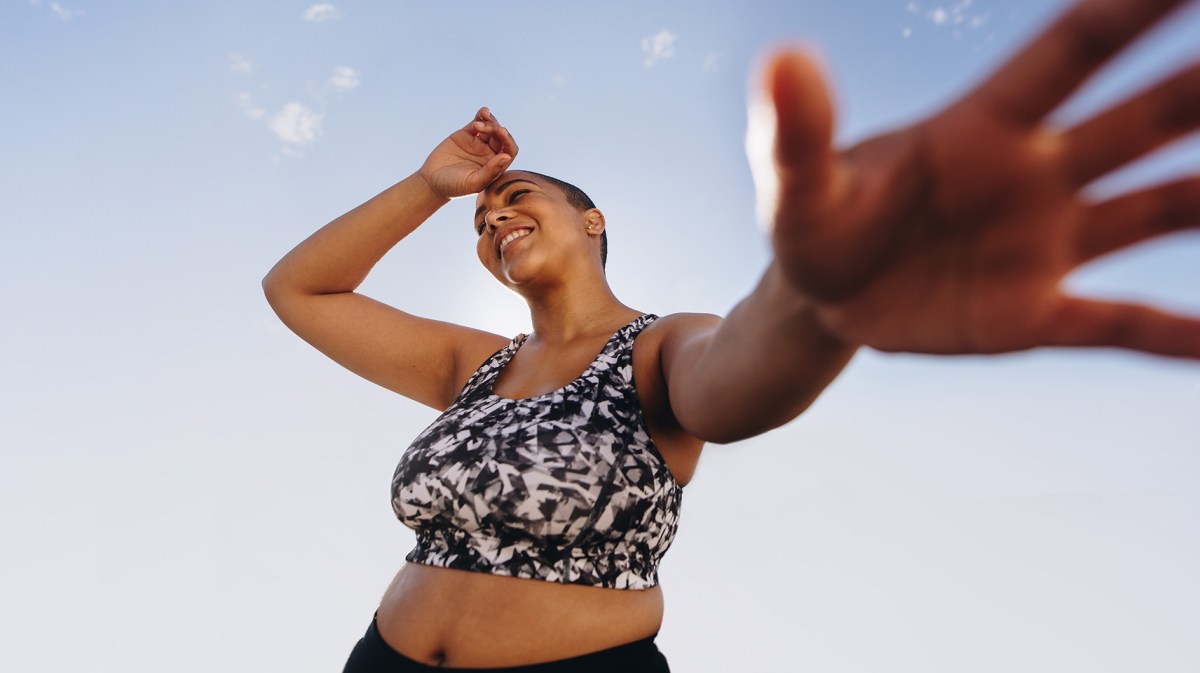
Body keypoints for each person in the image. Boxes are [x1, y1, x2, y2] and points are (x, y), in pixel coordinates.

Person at [262, 0, 1200, 669]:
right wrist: (434, 187)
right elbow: (300, 288)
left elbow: (739, 381)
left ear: (593, 221)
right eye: (480, 221)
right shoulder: (474, 366)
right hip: (380, 658)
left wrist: (820, 303)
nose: (493, 219)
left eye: (518, 198)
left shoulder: (663, 345)